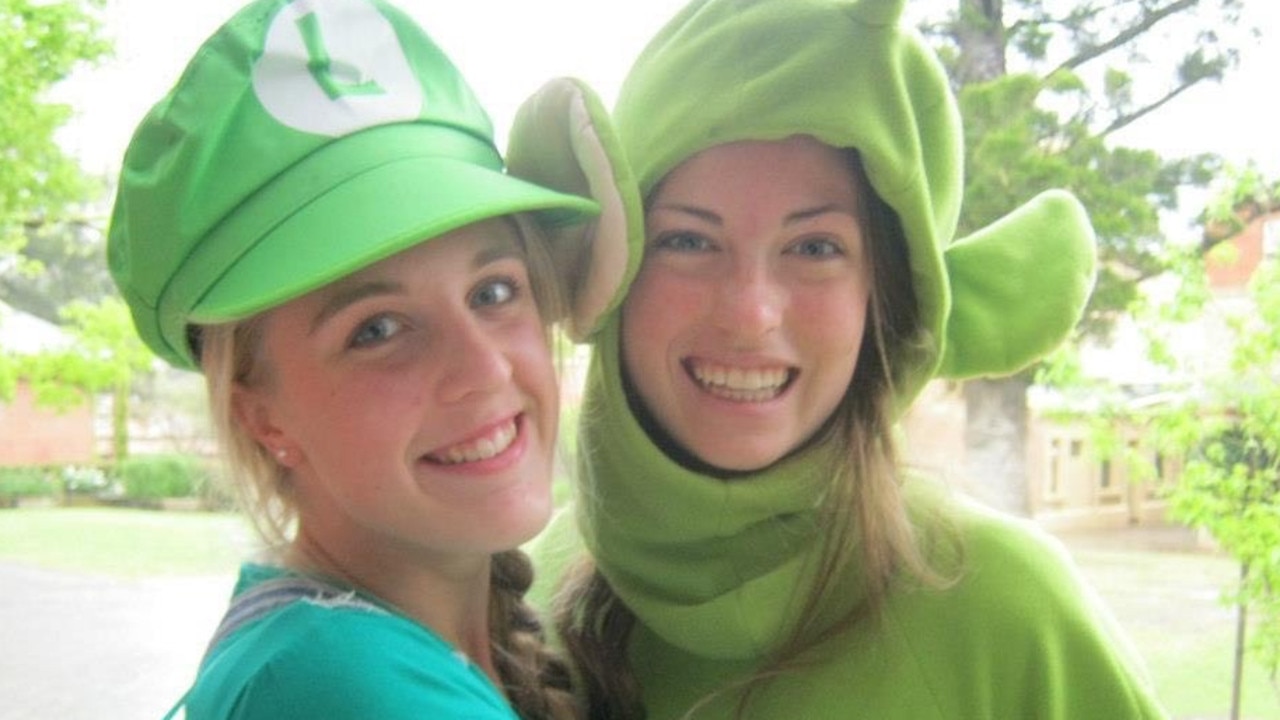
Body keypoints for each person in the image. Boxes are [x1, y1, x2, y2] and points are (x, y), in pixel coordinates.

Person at [507, 0, 1172, 717]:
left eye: (815, 247)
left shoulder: (1008, 612)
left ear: (882, 297)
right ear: (612, 270)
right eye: (689, 241)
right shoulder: (524, 596)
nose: (750, 312)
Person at [106, 0, 600, 718]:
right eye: (377, 329)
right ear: (260, 414)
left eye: (493, 290)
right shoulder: (348, 688)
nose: (486, 369)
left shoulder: (331, 643)